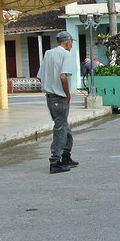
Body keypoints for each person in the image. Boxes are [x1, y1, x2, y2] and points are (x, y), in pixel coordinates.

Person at [39, 30, 78, 174]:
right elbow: (63, 77)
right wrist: (67, 94)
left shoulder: (48, 53)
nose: (72, 45)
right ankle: (55, 161)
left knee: (64, 127)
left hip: (50, 97)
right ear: (68, 42)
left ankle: (66, 156)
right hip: (59, 97)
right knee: (60, 130)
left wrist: (50, 85)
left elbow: (40, 75)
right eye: (71, 43)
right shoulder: (66, 54)